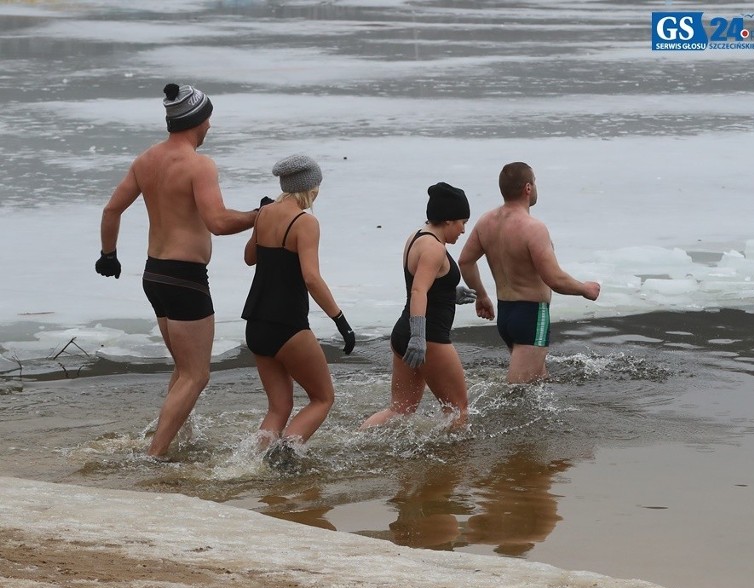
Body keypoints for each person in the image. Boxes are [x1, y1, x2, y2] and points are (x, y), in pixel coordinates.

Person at [96, 83, 258, 459]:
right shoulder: (199, 165)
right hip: (185, 279)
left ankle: (174, 442)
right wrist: (258, 216)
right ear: (197, 121)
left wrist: (109, 254)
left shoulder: (146, 159)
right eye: (208, 120)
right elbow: (217, 221)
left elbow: (111, 210)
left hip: (155, 275)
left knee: (184, 370)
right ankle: (153, 455)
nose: (210, 128)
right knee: (197, 375)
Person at [242, 154, 355, 462]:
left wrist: (262, 221)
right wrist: (340, 320)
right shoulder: (305, 223)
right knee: (322, 398)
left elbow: (250, 257)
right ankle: (283, 456)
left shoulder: (264, 212)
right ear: (310, 187)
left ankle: (251, 464)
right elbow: (311, 278)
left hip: (256, 322)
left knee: (279, 407)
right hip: (288, 324)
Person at [458, 162, 600, 384]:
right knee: (518, 393)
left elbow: (465, 262)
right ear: (527, 188)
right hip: (531, 315)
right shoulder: (533, 228)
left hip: (505, 314)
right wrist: (585, 289)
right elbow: (554, 278)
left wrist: (482, 296)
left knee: (539, 382)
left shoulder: (485, 222)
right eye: (534, 182)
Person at [360, 182, 476, 431]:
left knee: (400, 409)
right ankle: (450, 465)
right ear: (447, 220)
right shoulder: (434, 248)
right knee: (458, 408)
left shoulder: (417, 237)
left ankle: (355, 441)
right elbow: (418, 290)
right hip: (428, 338)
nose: (463, 230)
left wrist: (449, 293)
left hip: (403, 332)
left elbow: (421, 282)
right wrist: (419, 337)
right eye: (461, 222)